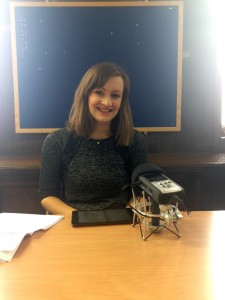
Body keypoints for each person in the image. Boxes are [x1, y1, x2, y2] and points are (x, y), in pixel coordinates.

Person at [38, 62, 148, 218]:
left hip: (120, 225)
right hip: (73, 225)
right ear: (86, 95)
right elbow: (47, 196)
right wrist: (84, 218)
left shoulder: (135, 140)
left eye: (115, 95)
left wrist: (122, 216)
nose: (107, 102)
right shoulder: (56, 141)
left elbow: (140, 193)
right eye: (99, 93)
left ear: (122, 101)